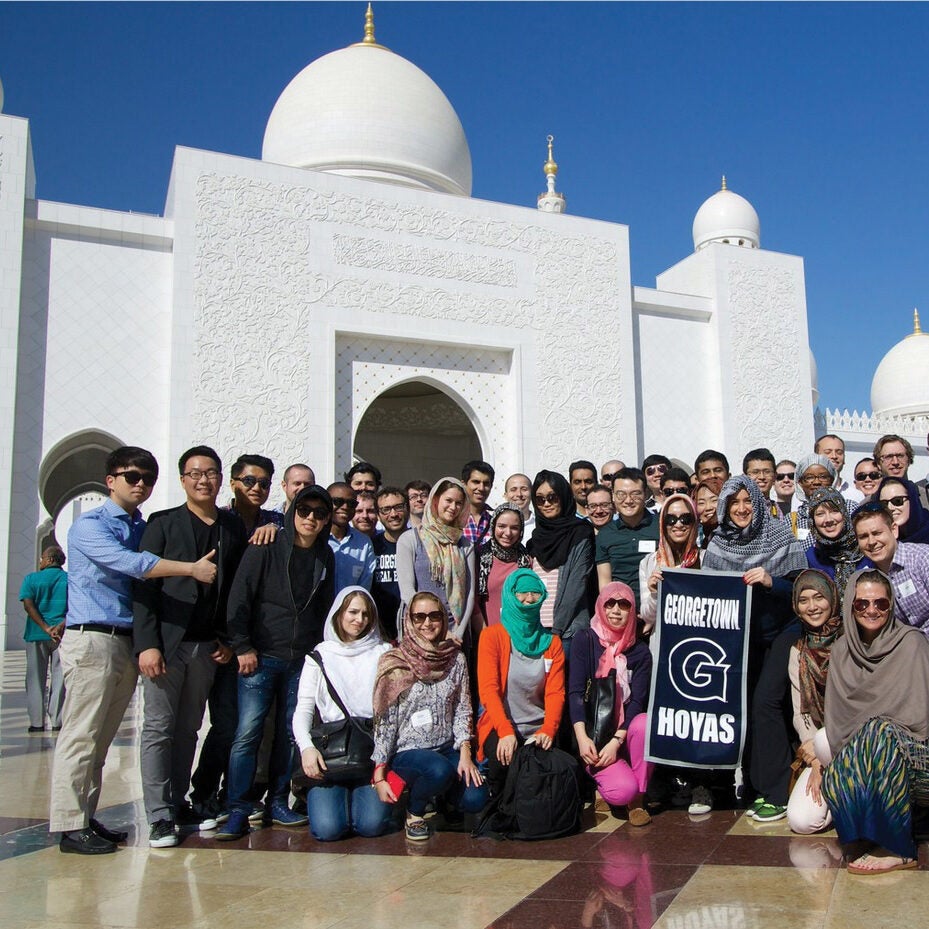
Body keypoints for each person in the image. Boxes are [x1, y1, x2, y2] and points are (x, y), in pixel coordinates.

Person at [50, 446, 218, 855]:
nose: (140, 484)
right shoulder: (89, 526)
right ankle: (70, 826)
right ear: (111, 481)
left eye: (147, 477)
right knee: (82, 735)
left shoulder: (138, 525)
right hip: (93, 638)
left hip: (122, 640)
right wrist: (190, 569)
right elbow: (134, 566)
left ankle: (85, 819)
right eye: (131, 476)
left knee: (101, 737)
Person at [133, 445, 248, 847]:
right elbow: (143, 586)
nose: (204, 480)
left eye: (211, 472)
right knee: (158, 728)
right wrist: (147, 644)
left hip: (206, 648)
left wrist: (229, 641)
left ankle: (178, 801)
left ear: (221, 479)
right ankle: (158, 814)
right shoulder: (162, 524)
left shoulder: (232, 527)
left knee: (187, 730)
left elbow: (236, 591)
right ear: (183, 479)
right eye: (195, 473)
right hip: (166, 645)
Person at [215, 485, 335, 840]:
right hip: (261, 656)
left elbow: (325, 608)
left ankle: (277, 801)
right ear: (292, 510)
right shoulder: (265, 546)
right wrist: (242, 646)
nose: (311, 517)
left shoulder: (324, 555)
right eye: (304, 510)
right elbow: (239, 599)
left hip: (301, 659)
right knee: (247, 732)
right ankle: (238, 807)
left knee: (289, 732)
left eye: (319, 512)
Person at [703, 476, 806, 810]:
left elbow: (800, 592)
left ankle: (778, 790)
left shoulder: (778, 533)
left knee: (766, 702)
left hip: (782, 632)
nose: (742, 508)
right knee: (744, 706)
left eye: (748, 501)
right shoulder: (718, 543)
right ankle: (752, 783)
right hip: (742, 637)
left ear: (759, 503)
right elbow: (708, 594)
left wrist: (770, 580)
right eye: (734, 502)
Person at [821, 569, 929, 874]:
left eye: (881, 604)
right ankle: (865, 832)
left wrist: (875, 736)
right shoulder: (843, 651)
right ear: (850, 607)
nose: (872, 610)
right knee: (840, 767)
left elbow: (921, 720)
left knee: (879, 731)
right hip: (867, 752)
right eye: (862, 604)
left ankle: (898, 847)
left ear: (891, 605)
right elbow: (839, 725)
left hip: (918, 756)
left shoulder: (912, 644)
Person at [371, 592, 487, 841]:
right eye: (419, 617)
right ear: (409, 621)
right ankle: (414, 812)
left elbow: (462, 708)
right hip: (408, 752)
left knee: (477, 797)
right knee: (438, 771)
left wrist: (465, 753)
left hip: (445, 748)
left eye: (434, 616)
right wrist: (379, 771)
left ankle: (444, 797)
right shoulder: (395, 661)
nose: (427, 623)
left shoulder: (455, 659)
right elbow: (386, 721)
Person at [292, 587, 393, 841]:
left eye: (366, 614)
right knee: (328, 830)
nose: (359, 620)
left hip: (369, 751)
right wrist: (306, 748)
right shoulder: (320, 656)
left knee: (371, 826)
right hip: (331, 754)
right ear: (339, 613)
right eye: (353, 612)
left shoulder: (382, 653)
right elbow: (303, 709)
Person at [568, 583, 653, 826]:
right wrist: (583, 739)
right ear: (600, 607)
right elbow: (575, 692)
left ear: (632, 611)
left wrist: (617, 742)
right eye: (610, 603)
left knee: (645, 724)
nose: (616, 610)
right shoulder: (585, 640)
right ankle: (608, 786)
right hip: (594, 738)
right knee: (621, 791)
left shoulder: (640, 652)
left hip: (622, 738)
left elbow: (637, 701)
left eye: (624, 604)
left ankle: (637, 800)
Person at [476, 569, 566, 798]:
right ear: (510, 595)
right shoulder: (492, 637)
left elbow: (555, 693)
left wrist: (548, 729)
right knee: (503, 758)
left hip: (538, 728)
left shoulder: (552, 643)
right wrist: (505, 731)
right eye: (522, 593)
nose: (529, 599)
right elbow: (488, 690)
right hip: (502, 726)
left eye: (535, 593)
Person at [784, 570, 842, 835]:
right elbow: (801, 713)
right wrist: (816, 761)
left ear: (832, 599)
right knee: (802, 821)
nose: (812, 607)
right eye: (804, 600)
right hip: (822, 748)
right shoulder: (799, 651)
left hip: (855, 743)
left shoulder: (851, 640)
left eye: (819, 597)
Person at [395, 477, 477, 642]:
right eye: (448, 500)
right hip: (419, 630)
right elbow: (407, 590)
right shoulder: (410, 539)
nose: (453, 507)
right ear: (436, 499)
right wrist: (430, 626)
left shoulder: (465, 545)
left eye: (459, 503)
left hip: (455, 634)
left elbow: (469, 593)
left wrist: (457, 633)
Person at [526, 470, 595, 655]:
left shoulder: (580, 534)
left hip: (567, 634)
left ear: (563, 496)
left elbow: (576, 586)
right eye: (540, 499)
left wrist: (556, 632)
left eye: (552, 497)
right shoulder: (533, 543)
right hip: (535, 632)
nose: (546, 504)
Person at [852, 504, 929, 634]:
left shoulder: (922, 558)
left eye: (877, 533)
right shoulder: (867, 578)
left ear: (894, 530)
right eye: (864, 536)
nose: (871, 542)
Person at [19, 546, 67, 733]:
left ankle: (37, 722)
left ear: (48, 559)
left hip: (36, 634)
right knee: (60, 678)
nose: (40, 562)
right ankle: (57, 720)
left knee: (35, 679)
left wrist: (45, 627)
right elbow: (76, 606)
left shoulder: (31, 579)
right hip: (62, 636)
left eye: (41, 559)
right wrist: (60, 625)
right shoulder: (69, 580)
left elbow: (28, 605)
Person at [638, 493, 700, 635]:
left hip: (696, 640)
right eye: (671, 519)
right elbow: (647, 617)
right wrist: (654, 593)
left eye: (685, 519)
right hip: (663, 645)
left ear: (694, 522)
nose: (678, 524)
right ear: (662, 523)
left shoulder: (706, 558)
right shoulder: (648, 562)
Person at [596, 468, 658, 608]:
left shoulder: (661, 527)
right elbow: (605, 583)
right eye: (621, 494)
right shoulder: (605, 534)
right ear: (612, 496)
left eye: (636, 494)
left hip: (656, 607)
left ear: (646, 494)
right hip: (620, 612)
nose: (628, 501)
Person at [804, 488, 872, 597]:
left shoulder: (865, 547)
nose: (828, 519)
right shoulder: (811, 558)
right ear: (813, 521)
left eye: (834, 511)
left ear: (844, 513)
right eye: (820, 514)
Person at [477, 504, 532, 626]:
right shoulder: (480, 558)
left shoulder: (526, 560)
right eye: (502, 526)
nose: (508, 533)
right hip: (489, 635)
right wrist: (486, 636)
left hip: (520, 635)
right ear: (493, 526)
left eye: (514, 528)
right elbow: (474, 605)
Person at [371, 486, 410, 640]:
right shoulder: (372, 547)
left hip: (416, 629)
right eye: (386, 509)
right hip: (380, 632)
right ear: (379, 515)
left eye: (398, 507)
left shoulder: (421, 543)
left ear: (407, 508)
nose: (393, 514)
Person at [326, 482, 376, 592]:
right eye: (338, 502)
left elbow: (364, 587)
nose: (345, 507)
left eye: (351, 503)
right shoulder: (315, 538)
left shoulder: (364, 543)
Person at [227, 454, 283, 538]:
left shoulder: (278, 520)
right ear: (233, 484)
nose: (256, 488)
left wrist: (277, 529)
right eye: (249, 481)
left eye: (264, 483)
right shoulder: (219, 519)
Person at [877, 476, 929, 544]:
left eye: (897, 501)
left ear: (912, 501)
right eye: (884, 504)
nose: (890, 508)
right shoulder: (879, 542)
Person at [815, 434, 863, 504]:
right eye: (828, 452)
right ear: (816, 458)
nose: (834, 456)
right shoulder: (804, 494)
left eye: (839, 452)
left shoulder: (856, 495)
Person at [461, 460, 495, 545]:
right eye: (476, 482)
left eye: (486, 483)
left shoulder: (495, 521)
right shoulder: (453, 518)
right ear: (463, 484)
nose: (481, 488)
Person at [742, 448, 777, 514]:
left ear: (775, 476)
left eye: (767, 472)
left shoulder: (780, 512)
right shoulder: (741, 510)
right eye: (755, 472)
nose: (762, 477)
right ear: (745, 476)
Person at [693, 480, 719, 548]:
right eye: (701, 503)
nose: (708, 507)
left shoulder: (735, 537)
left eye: (714, 500)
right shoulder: (695, 538)